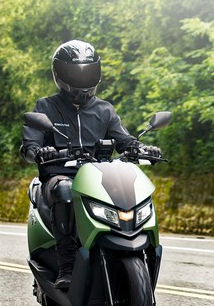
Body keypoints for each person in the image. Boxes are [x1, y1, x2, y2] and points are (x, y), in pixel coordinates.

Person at [20, 39, 161, 289]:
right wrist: (40, 152)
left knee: (131, 189)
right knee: (64, 190)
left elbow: (124, 140)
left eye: (88, 72)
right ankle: (67, 265)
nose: (83, 80)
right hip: (60, 177)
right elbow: (30, 145)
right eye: (75, 73)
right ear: (60, 74)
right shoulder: (46, 107)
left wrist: (141, 148)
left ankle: (138, 255)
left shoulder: (104, 110)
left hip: (99, 179)